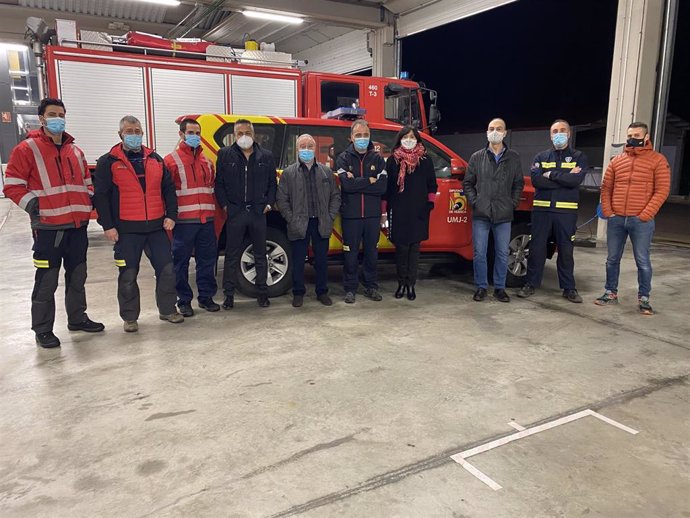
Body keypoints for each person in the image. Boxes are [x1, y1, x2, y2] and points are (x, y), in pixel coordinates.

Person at [3, 98, 104, 348]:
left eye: (61, 114)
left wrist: (88, 201)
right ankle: (43, 329)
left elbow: (87, 183)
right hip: (48, 229)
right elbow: (13, 186)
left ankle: (77, 319)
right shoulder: (27, 149)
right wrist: (37, 208)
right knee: (47, 279)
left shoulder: (75, 151)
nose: (57, 118)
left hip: (77, 226)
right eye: (52, 114)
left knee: (78, 276)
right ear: (42, 119)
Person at [93, 115, 182, 332]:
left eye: (137, 131)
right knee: (128, 274)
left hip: (156, 228)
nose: (134, 135)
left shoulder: (155, 159)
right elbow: (101, 196)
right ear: (120, 134)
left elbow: (168, 190)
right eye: (129, 131)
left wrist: (171, 215)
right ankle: (130, 317)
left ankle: (168, 309)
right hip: (126, 231)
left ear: (142, 133)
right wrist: (108, 226)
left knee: (167, 270)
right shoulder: (108, 162)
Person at [595, 121, 671, 315]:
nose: (632, 139)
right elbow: (606, 188)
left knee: (642, 260)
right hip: (617, 219)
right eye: (630, 135)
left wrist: (646, 214)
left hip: (641, 220)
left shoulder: (658, 160)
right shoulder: (617, 161)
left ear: (646, 137)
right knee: (612, 259)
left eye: (637, 136)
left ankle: (644, 297)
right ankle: (610, 292)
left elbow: (662, 190)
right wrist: (609, 212)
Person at [517, 119, 588, 303]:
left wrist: (552, 175)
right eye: (555, 131)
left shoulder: (579, 157)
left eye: (562, 130)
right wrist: (564, 178)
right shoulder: (541, 157)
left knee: (566, 251)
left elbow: (575, 181)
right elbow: (536, 181)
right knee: (536, 249)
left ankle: (568, 288)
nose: (558, 134)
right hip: (542, 212)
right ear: (550, 135)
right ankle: (531, 284)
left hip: (566, 214)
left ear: (569, 133)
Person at [215, 119, 277, 309]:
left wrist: (268, 204)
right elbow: (219, 184)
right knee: (232, 256)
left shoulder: (265, 156)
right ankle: (229, 295)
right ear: (234, 135)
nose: (244, 137)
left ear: (253, 134)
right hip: (236, 212)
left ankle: (262, 293)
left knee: (261, 255)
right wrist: (226, 206)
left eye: (247, 133)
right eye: (240, 133)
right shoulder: (225, 154)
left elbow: (272, 183)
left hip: (258, 212)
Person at [463, 118, 524, 303]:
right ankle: (481, 287)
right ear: (486, 132)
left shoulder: (513, 157)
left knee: (502, 253)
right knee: (479, 253)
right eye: (491, 128)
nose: (495, 132)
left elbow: (518, 184)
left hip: (504, 214)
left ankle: (500, 288)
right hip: (481, 213)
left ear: (505, 133)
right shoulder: (477, 157)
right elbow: (468, 183)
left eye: (499, 129)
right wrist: (476, 202)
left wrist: (512, 203)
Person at [277, 134, 341, 307]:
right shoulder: (289, 173)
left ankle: (322, 292)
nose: (307, 149)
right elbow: (282, 199)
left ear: (315, 149)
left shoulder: (326, 172)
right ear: (297, 149)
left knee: (321, 261)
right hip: (299, 223)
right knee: (298, 261)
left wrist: (329, 216)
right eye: (303, 146)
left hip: (321, 222)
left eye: (310, 146)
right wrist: (291, 219)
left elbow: (335, 196)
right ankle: (298, 292)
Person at [164, 118, 220, 317]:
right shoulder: (170, 161)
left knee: (207, 260)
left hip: (206, 220)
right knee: (181, 262)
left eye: (197, 133)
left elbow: (211, 187)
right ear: (181, 134)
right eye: (191, 133)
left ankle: (206, 297)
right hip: (183, 222)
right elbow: (166, 193)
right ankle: (184, 300)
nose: (195, 137)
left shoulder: (207, 161)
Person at [383, 125, 437, 300]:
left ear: (417, 140)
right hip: (398, 211)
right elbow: (387, 188)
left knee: (414, 249)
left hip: (419, 210)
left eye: (412, 137)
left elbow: (432, 185)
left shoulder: (425, 160)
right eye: (405, 137)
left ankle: (411, 285)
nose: (409, 140)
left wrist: (430, 204)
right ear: (400, 139)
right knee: (401, 249)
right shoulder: (393, 160)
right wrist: (384, 211)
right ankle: (401, 283)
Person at [336, 119, 387, 304]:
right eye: (358, 135)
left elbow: (382, 187)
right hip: (351, 215)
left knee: (371, 253)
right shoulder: (343, 158)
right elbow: (347, 186)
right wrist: (369, 180)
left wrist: (358, 181)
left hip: (372, 216)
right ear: (351, 137)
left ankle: (371, 287)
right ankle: (350, 289)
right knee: (350, 254)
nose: (362, 138)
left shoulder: (378, 158)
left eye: (365, 135)